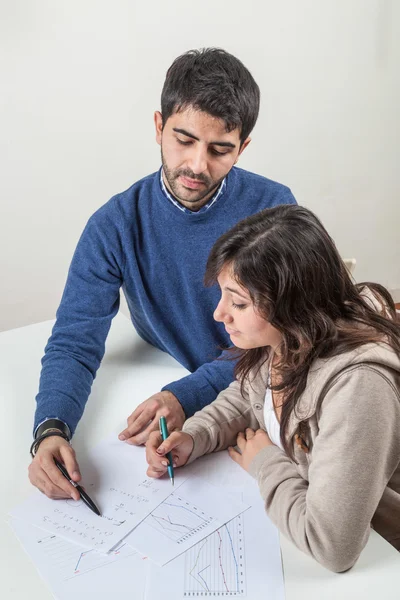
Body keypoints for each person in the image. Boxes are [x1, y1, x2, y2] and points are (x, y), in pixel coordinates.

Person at [29, 47, 296, 501]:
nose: (197, 165)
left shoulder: (274, 210)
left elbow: (285, 338)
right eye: (184, 139)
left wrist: (187, 394)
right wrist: (51, 427)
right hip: (179, 386)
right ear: (158, 126)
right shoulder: (115, 224)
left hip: (262, 402)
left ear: (243, 147)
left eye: (220, 150)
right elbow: (76, 339)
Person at [145, 204, 400, 572]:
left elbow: (331, 545)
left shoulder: (359, 388)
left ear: (292, 302)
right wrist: (194, 436)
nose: (219, 314)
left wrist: (263, 462)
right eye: (223, 295)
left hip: (383, 560)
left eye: (239, 302)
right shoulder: (287, 337)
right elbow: (250, 396)